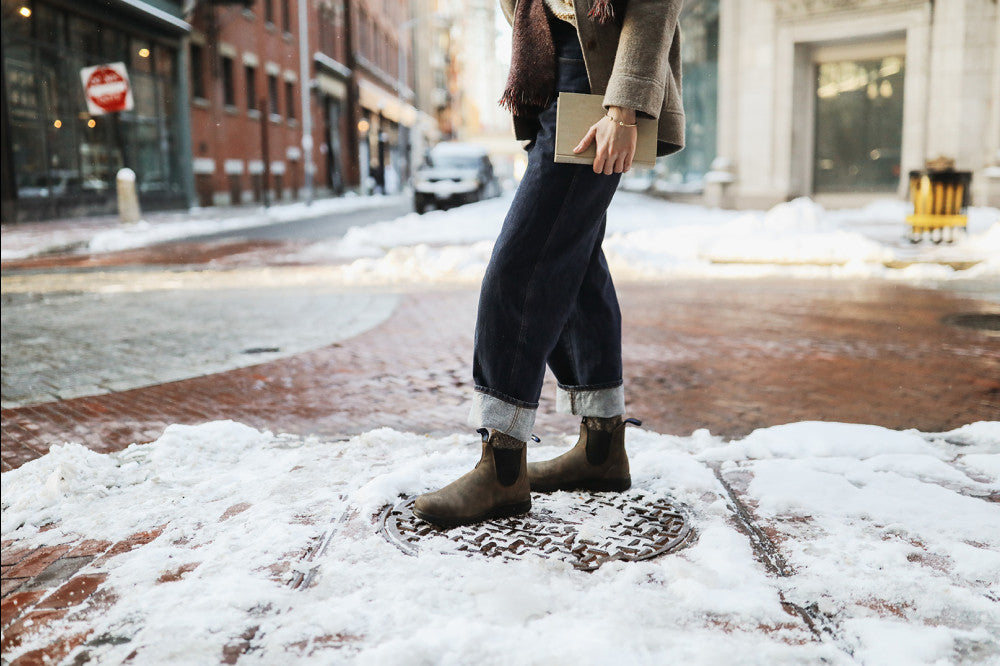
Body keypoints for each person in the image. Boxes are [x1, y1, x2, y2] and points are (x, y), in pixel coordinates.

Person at [414, 0, 685, 527]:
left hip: (599, 79)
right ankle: (602, 452)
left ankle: (503, 468)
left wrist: (624, 108)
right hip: (555, 70)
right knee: (577, 266)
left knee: (523, 267)